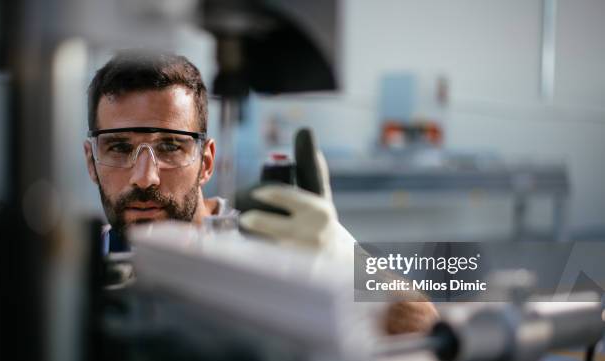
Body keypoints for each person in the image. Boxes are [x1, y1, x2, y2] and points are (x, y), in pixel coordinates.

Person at [84, 50, 438, 333]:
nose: (145, 178)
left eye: (170, 147)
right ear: (91, 162)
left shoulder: (266, 244)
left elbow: (427, 327)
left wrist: (343, 259)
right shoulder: (73, 269)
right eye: (118, 148)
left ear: (207, 163)